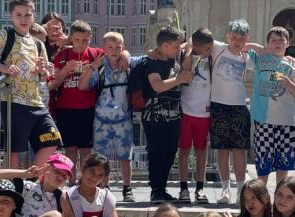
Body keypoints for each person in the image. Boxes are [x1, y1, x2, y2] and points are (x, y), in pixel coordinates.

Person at [0, 0, 61, 169]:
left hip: (36, 101)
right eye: (19, 15)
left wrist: (42, 71)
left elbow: (43, 77)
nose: (23, 19)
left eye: (27, 15)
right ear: (11, 16)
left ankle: (31, 178)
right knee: (15, 151)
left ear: (34, 16)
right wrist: (4, 68)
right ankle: (12, 182)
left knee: (52, 140)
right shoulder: (3, 35)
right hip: (12, 101)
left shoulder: (38, 43)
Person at [138, 27, 192, 203]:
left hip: (174, 115)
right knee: (157, 152)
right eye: (175, 46)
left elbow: (189, 43)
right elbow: (158, 86)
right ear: (165, 46)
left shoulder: (172, 56)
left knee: (170, 152)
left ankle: (162, 188)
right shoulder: (151, 62)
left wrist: (186, 45)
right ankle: (156, 190)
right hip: (155, 116)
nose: (178, 49)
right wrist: (180, 79)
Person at [204, 20, 254, 205]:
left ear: (246, 39)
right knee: (222, 151)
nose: (237, 41)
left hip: (239, 106)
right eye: (233, 37)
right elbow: (196, 40)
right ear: (227, 37)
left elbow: (268, 57)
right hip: (218, 105)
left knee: (240, 151)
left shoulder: (248, 57)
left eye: (241, 38)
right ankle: (225, 190)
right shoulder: (218, 48)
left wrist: (289, 58)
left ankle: (241, 190)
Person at [81, 31, 135, 202]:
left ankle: (127, 188)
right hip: (101, 120)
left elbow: (146, 57)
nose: (114, 51)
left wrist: (127, 55)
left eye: (118, 47)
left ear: (123, 47)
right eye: (110, 47)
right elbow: (83, 86)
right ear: (103, 48)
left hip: (123, 119)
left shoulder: (129, 64)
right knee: (102, 158)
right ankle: (104, 187)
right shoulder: (100, 67)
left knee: (125, 156)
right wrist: (91, 68)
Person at [250, 26, 295, 185]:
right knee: (263, 164)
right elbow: (242, 47)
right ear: (268, 43)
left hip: (287, 122)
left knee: (283, 165)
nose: (277, 43)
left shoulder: (293, 65)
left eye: (281, 40)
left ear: (288, 43)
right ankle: (262, 194)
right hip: (264, 120)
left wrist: (288, 83)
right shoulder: (260, 58)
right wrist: (261, 49)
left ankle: (280, 194)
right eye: (273, 40)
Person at [49, 20, 102, 167]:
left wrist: (124, 56)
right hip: (65, 109)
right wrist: (65, 70)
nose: (81, 44)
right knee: (70, 151)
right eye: (77, 39)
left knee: (86, 151)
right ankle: (71, 179)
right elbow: (53, 85)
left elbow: (116, 52)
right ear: (71, 38)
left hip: (88, 109)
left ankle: (86, 179)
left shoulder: (94, 53)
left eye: (85, 40)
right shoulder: (62, 56)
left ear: (90, 38)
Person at [178, 29, 214, 204]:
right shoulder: (185, 54)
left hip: (204, 113)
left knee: (201, 151)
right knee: (184, 151)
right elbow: (185, 70)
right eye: (207, 49)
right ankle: (183, 188)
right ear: (197, 46)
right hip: (186, 111)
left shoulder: (212, 57)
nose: (210, 51)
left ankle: (200, 188)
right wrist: (189, 50)